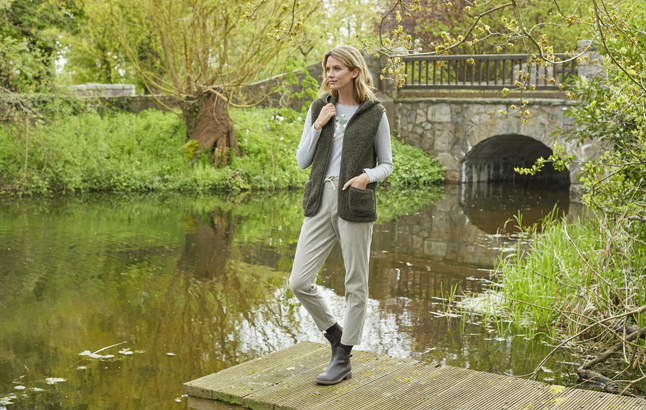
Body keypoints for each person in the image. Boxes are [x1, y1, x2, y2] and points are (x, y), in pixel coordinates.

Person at [289, 45, 393, 385]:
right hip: (320, 199)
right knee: (299, 281)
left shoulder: (375, 112)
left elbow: (387, 165)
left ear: (353, 72)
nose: (330, 74)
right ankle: (334, 332)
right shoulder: (320, 107)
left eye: (336, 68)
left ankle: (344, 357)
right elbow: (303, 160)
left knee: (356, 284)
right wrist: (318, 125)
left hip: (354, 199)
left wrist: (367, 176)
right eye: (327, 69)